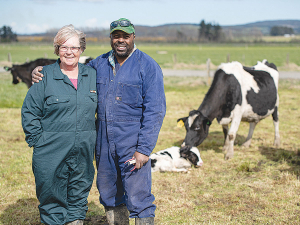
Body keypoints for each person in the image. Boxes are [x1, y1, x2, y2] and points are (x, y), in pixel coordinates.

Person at [32, 18, 166, 225]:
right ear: (111, 38)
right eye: (116, 36)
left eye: (125, 36)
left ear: (133, 37)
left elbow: (155, 110)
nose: (121, 40)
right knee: (108, 189)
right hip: (102, 140)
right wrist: (43, 71)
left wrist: (144, 148)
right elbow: (70, 67)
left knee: (138, 194)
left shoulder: (147, 66)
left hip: (132, 140)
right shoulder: (98, 64)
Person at [22, 24, 97, 225]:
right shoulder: (45, 76)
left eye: (74, 47)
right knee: (51, 192)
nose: (69, 52)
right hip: (51, 149)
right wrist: (39, 141)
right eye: (64, 47)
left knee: (79, 192)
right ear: (57, 50)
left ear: (81, 49)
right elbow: (29, 111)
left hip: (83, 148)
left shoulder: (92, 76)